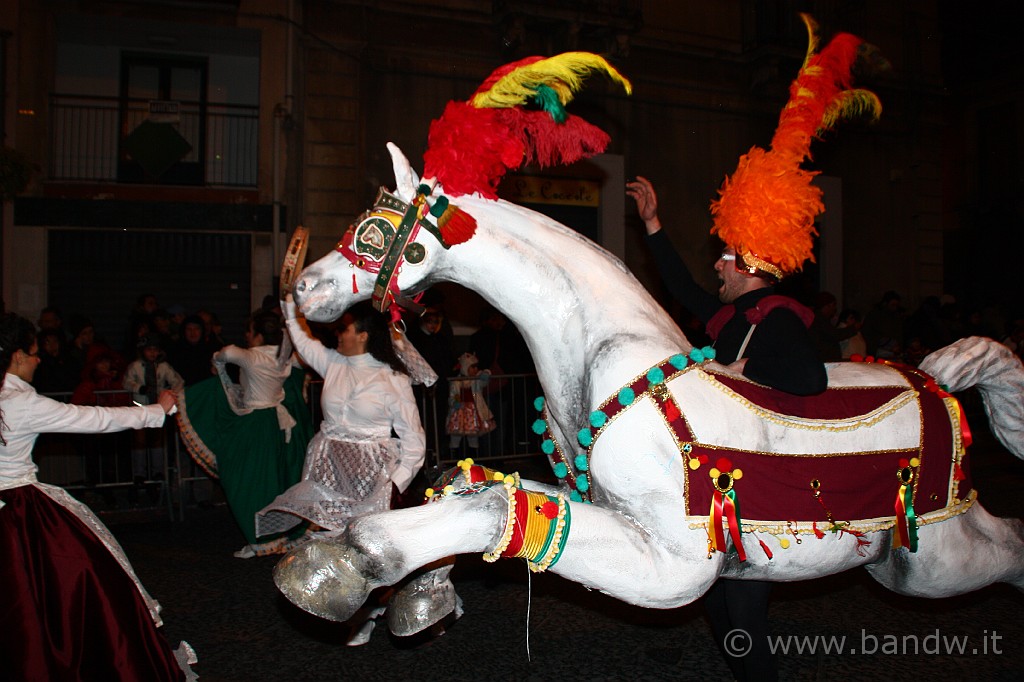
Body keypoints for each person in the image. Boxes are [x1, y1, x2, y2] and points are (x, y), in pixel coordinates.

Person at [626, 20, 876, 678]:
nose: (716, 268)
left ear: (748, 264)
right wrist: (652, 226)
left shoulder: (779, 319)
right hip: (732, 476)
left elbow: (807, 381)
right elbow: (682, 289)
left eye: (725, 259)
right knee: (721, 600)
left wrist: (737, 372)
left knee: (741, 606)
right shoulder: (732, 311)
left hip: (773, 480)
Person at [0, 312, 196, 680]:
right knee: (82, 584)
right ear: (16, 356)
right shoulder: (19, 402)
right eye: (32, 352)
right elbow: (93, 419)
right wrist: (158, 410)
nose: (38, 359)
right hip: (17, 511)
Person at [256, 298, 426, 645]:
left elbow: (414, 442)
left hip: (372, 479)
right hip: (329, 472)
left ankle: (368, 610)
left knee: (363, 550)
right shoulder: (332, 362)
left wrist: (393, 485)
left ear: (363, 334)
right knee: (335, 547)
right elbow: (304, 341)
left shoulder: (393, 378)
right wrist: (290, 309)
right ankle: (354, 612)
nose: (337, 335)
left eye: (344, 329)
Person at [175, 308, 313, 558]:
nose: (247, 336)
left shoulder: (251, 357)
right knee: (277, 479)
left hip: (257, 423)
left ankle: (263, 539)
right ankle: (280, 534)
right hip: (279, 424)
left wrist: (218, 364)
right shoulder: (283, 356)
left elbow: (225, 352)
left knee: (251, 481)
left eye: (250, 332)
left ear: (259, 335)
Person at [122, 335, 184, 484]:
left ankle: (158, 471)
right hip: (140, 408)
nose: (152, 353)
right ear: (142, 351)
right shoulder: (135, 366)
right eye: (149, 350)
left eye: (155, 350)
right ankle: (139, 473)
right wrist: (139, 388)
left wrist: (172, 393)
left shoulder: (163, 367)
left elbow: (178, 381)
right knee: (140, 440)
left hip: (158, 408)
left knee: (157, 439)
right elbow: (126, 383)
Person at [446, 351, 496, 452]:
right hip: (458, 413)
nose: (476, 369)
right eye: (472, 367)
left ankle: (473, 457)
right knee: (456, 435)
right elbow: (452, 396)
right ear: (465, 367)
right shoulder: (456, 382)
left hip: (474, 412)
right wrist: (453, 403)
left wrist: (486, 373)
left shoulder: (476, 380)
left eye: (476, 367)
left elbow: (484, 379)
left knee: (473, 435)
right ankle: (454, 457)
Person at [808, 291, 860, 363]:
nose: (834, 308)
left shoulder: (820, 319)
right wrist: (853, 328)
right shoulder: (819, 319)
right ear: (826, 305)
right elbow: (834, 335)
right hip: (825, 359)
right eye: (833, 305)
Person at [168, 314, 218, 386]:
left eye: (196, 329)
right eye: (189, 329)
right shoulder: (175, 350)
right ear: (184, 331)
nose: (193, 332)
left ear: (202, 331)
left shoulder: (211, 350)